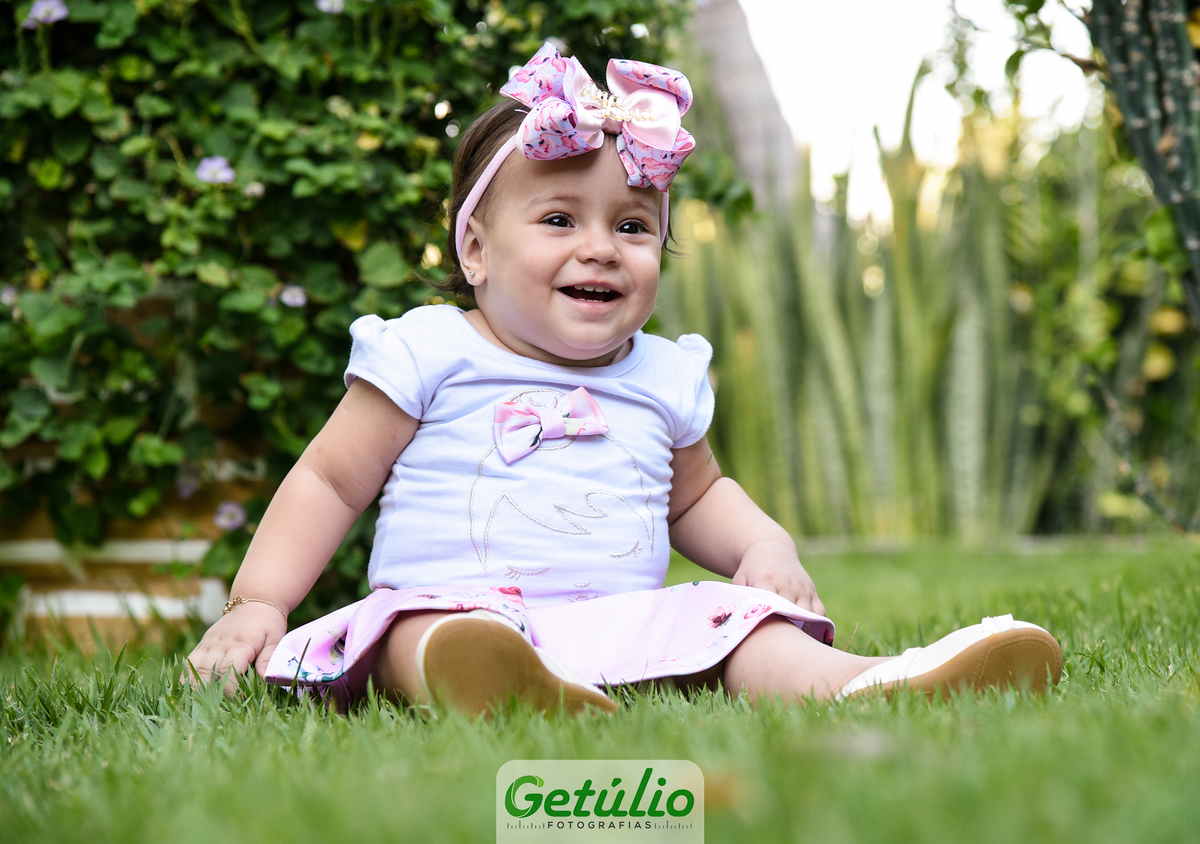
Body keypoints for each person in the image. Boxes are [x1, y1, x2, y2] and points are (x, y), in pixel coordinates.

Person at [183, 43, 1063, 715]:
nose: (601, 248)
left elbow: (698, 495)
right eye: (559, 220)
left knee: (734, 624)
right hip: (454, 606)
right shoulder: (429, 351)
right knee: (421, 632)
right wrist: (260, 601)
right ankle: (488, 679)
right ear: (476, 250)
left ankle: (863, 681)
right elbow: (331, 480)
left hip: (621, 626)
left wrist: (763, 548)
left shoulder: (661, 374)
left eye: (634, 227)